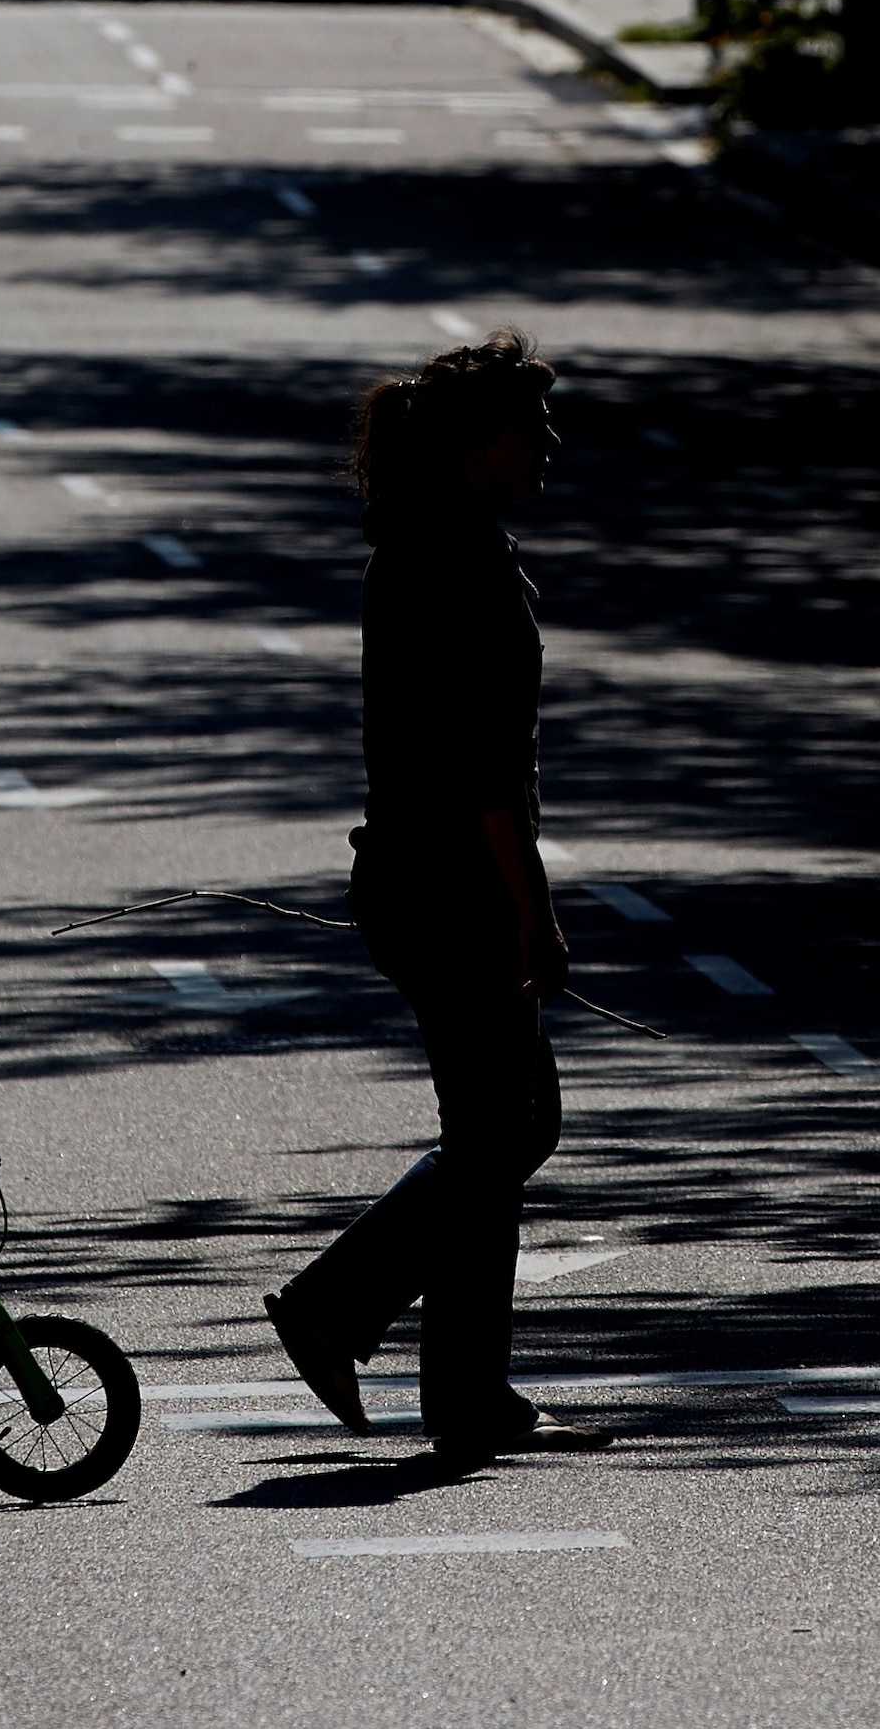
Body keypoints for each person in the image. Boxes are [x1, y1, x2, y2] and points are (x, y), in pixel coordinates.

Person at [262, 330, 615, 1466]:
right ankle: (347, 1311)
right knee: (499, 1132)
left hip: (416, 880)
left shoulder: (432, 546)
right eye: (530, 425)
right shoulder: (453, 564)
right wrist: (533, 911)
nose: (549, 442)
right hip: (449, 889)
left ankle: (454, 1381)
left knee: (505, 1129)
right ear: (475, 445)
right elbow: (482, 774)